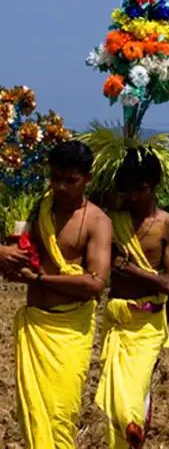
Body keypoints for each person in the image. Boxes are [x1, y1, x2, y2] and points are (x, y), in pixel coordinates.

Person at [10, 141, 112, 448]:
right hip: (35, 328)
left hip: (70, 333)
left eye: (70, 180)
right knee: (32, 417)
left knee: (61, 416)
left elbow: (95, 284)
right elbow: (24, 250)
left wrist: (39, 278)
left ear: (87, 179)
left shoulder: (97, 221)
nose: (61, 186)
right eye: (55, 178)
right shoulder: (39, 208)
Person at [95, 148, 169, 448]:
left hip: (148, 323)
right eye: (129, 190)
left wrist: (129, 269)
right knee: (114, 393)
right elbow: (92, 191)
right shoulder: (111, 217)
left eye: (141, 189)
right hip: (117, 318)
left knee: (134, 389)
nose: (135, 197)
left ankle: (134, 429)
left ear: (154, 186)